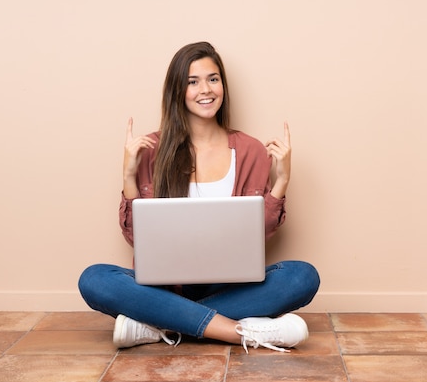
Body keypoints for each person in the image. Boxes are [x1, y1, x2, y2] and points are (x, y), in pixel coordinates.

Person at [78, 42, 320, 353]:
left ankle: (159, 323)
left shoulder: (251, 151)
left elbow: (256, 234)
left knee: (302, 277)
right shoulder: (150, 149)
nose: (205, 89)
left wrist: (281, 183)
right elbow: (139, 238)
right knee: (94, 279)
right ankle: (238, 331)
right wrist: (128, 177)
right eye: (192, 82)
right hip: (163, 286)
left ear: (223, 85)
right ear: (177, 90)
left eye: (213, 79)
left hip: (230, 286)